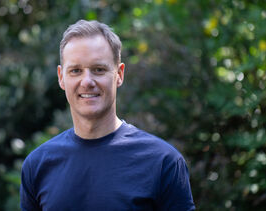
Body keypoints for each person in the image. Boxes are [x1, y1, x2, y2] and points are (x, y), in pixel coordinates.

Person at [20, 19, 195, 211]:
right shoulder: (37, 165)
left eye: (99, 70)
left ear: (119, 74)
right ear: (61, 77)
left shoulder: (163, 162)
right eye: (76, 71)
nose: (87, 81)